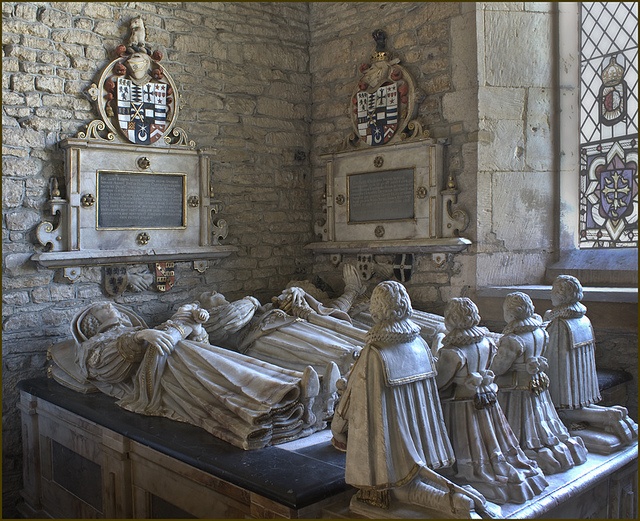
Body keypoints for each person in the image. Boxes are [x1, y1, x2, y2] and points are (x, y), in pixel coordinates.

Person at [48, 301, 325, 450]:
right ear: (94, 325)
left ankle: (291, 387)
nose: (116, 314)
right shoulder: (92, 347)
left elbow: (198, 343)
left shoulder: (137, 331)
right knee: (195, 361)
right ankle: (273, 398)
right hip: (154, 380)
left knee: (214, 357)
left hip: (170, 358)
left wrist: (195, 328)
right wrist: (140, 337)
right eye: (107, 313)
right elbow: (105, 368)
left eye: (115, 311)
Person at [330, 281, 494, 519]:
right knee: (414, 482)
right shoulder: (419, 345)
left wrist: (337, 427)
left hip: (391, 451)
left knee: (400, 491)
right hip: (421, 446)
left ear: (376, 311)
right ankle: (457, 498)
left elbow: (352, 398)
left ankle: (455, 501)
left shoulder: (375, 353)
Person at [436, 297, 548, 505]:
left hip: (462, 406)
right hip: (487, 401)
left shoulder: (452, 352)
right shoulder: (486, 342)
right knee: (490, 439)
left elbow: (440, 383)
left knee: (472, 444)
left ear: (451, 319)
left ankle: (470, 468)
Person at [491, 292, 588, 474]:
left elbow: (499, 367)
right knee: (541, 416)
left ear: (511, 314)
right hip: (537, 383)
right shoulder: (540, 332)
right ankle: (546, 442)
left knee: (520, 422)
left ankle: (520, 444)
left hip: (516, 389)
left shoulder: (513, 339)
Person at [544, 275, 637, 451]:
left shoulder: (560, 324)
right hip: (582, 387)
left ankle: (608, 416)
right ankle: (612, 413)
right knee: (579, 407)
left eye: (554, 291)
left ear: (562, 296)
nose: (551, 295)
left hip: (563, 389)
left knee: (563, 412)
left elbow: (548, 353)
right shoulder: (582, 319)